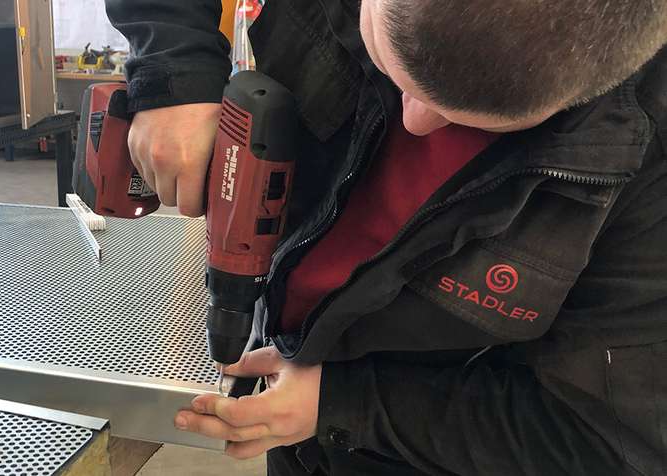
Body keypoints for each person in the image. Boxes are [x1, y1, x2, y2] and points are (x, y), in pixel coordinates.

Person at [105, 0, 667, 474]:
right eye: (397, 71)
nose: (416, 121)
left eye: (473, 119)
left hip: (422, 446)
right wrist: (173, 75)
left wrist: (345, 403)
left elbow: (607, 436)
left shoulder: (649, 161)